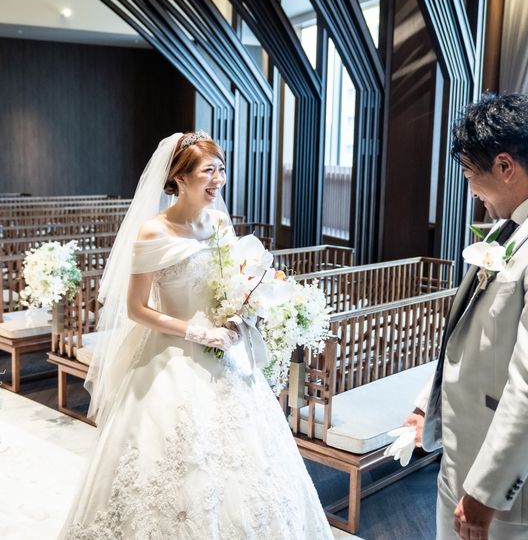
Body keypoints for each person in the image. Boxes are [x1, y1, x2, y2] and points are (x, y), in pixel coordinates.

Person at [59, 131, 334, 539]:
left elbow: (230, 284)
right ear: (180, 177)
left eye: (221, 169)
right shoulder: (153, 232)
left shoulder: (219, 223)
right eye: (208, 171)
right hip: (170, 355)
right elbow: (136, 309)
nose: (218, 179)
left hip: (225, 353)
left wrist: (242, 315)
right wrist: (195, 331)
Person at [406, 93, 528, 540]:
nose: (471, 191)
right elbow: (470, 334)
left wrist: (487, 492)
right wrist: (427, 405)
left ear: (505, 166)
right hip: (462, 456)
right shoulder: (509, 227)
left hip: (509, 493)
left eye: (470, 175)